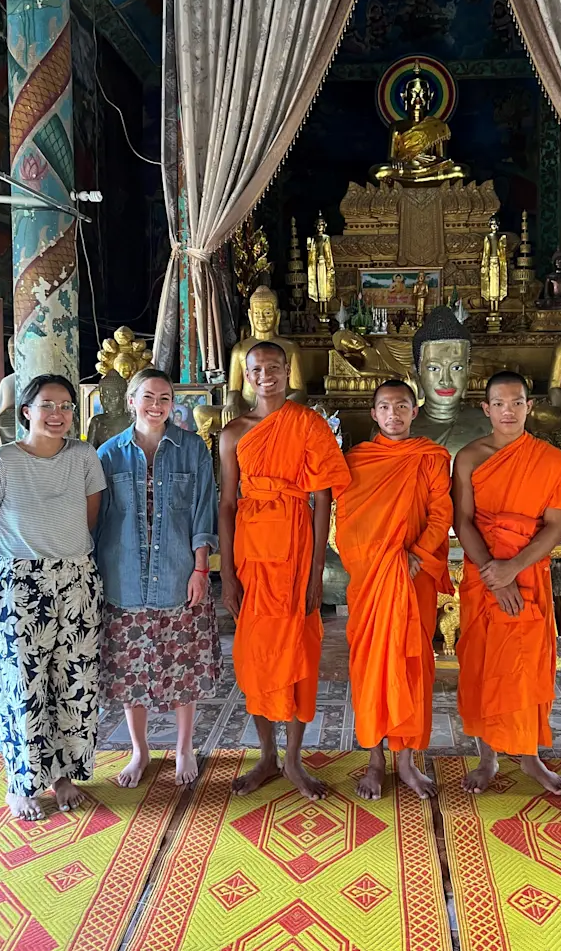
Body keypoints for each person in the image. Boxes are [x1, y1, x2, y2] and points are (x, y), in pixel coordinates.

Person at [0, 374, 106, 821]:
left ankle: (63, 775)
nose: (57, 414)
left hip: (77, 581)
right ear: (26, 411)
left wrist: (60, 560)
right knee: (23, 684)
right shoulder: (1, 461)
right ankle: (21, 782)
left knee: (74, 681)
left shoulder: (83, 456)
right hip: (20, 586)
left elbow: (88, 519)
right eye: (48, 405)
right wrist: (20, 563)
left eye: (66, 406)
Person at [219, 342, 350, 800]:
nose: (266, 376)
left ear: (287, 369)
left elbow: (322, 498)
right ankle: (267, 756)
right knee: (255, 657)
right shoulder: (233, 432)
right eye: (257, 369)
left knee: (298, 654)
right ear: (246, 374)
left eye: (274, 367)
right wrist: (227, 575)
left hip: (295, 551)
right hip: (251, 555)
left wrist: (316, 572)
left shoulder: (307, 423)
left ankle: (293, 760)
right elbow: (228, 503)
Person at [453, 371, 561, 796]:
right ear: (486, 409)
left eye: (516, 403)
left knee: (526, 669)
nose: (508, 411)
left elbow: (555, 527)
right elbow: (463, 521)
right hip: (483, 574)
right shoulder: (469, 457)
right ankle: (487, 758)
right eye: (499, 403)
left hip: (527, 571)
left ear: (530, 407)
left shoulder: (550, 460)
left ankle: (530, 758)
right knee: (482, 666)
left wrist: (512, 569)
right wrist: (494, 574)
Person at [94, 368, 220, 789]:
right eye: (148, 396)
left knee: (183, 666)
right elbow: (98, 520)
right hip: (125, 576)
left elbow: (203, 511)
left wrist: (200, 568)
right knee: (131, 670)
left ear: (173, 404)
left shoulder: (192, 449)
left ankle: (184, 747)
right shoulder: (109, 453)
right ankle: (140, 750)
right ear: (131, 400)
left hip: (177, 574)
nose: (156, 405)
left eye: (164, 398)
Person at [337, 380, 452, 800]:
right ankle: (374, 760)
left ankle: (405, 761)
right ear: (374, 414)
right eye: (385, 407)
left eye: (401, 406)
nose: (394, 415)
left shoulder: (430, 457)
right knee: (369, 667)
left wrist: (416, 553)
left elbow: (441, 512)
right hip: (371, 579)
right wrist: (379, 559)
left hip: (414, 576)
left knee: (411, 663)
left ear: (414, 411)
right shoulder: (357, 461)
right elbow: (347, 522)